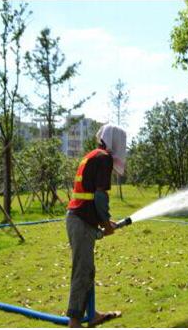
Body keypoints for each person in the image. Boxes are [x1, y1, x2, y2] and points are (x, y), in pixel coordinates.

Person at [65, 124, 127, 327]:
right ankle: (75, 321)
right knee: (82, 270)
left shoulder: (92, 154)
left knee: (88, 268)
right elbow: (100, 195)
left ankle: (91, 313)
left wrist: (103, 221)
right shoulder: (104, 158)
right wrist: (105, 222)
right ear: (116, 141)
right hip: (81, 220)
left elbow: (91, 194)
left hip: (79, 217)